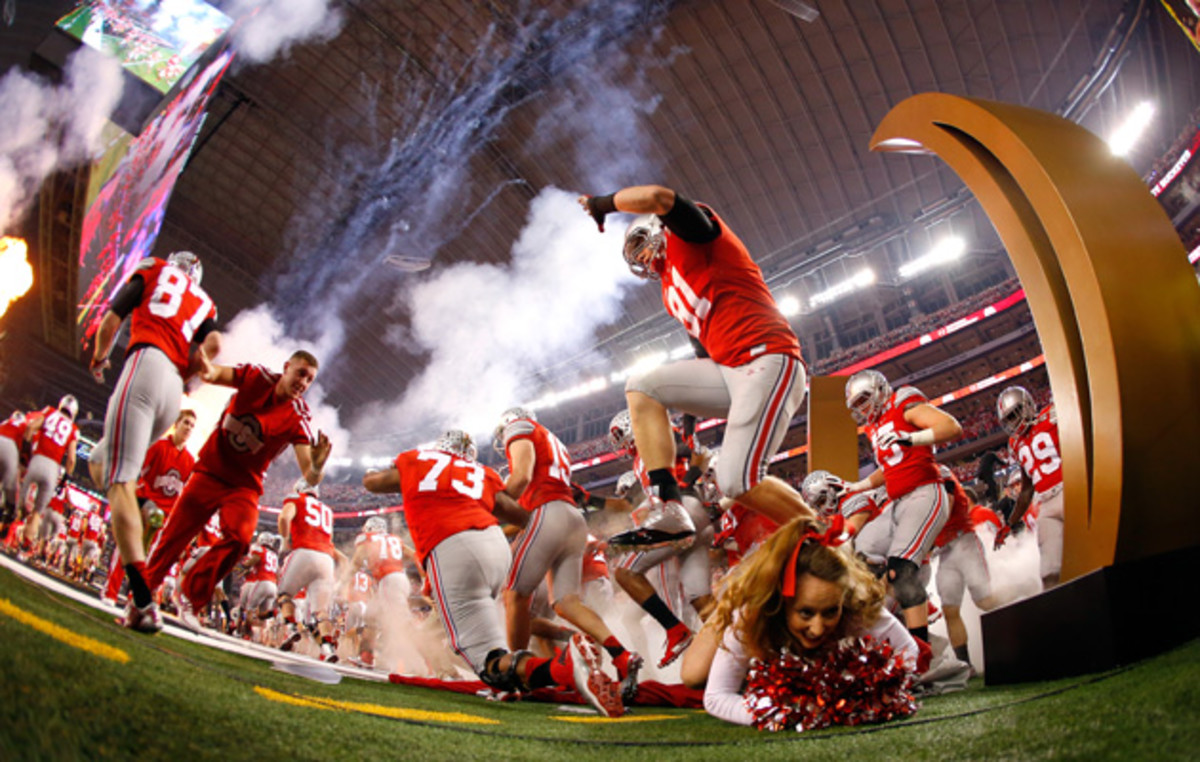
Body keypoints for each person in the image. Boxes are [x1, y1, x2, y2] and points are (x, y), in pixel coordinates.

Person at [579, 185, 812, 546]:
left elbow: (660, 196)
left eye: (641, 240)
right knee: (642, 384)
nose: (641, 254)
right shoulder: (670, 286)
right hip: (729, 369)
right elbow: (702, 351)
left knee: (737, 481)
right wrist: (689, 424)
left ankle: (824, 534)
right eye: (634, 251)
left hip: (766, 357)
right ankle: (669, 506)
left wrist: (601, 205)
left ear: (660, 228)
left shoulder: (695, 235)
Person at [362, 429, 624, 717]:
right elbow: (518, 515)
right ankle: (542, 675)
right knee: (496, 652)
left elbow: (373, 483)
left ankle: (568, 665)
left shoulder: (417, 459)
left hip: (452, 547)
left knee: (488, 664)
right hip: (496, 549)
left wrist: (373, 471)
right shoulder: (482, 472)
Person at [143, 350, 331, 633]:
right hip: (210, 469)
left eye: (310, 380)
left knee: (241, 538)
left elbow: (309, 473)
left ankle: (190, 595)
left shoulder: (298, 416)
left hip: (244, 484)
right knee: (173, 536)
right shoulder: (256, 377)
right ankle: (142, 595)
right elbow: (216, 374)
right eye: (301, 373)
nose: (304, 382)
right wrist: (203, 365)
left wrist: (317, 467)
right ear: (286, 368)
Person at [88, 251, 220, 632]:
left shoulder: (153, 268)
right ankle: (139, 588)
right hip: (172, 390)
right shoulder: (204, 301)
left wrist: (99, 358)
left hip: (145, 364)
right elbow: (212, 345)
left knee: (119, 482)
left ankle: (143, 601)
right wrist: (196, 371)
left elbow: (112, 319)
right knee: (103, 461)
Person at [702, 516, 918, 726]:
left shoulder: (855, 604)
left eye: (830, 612)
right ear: (782, 602)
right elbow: (716, 697)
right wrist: (780, 714)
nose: (817, 628)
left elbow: (908, 650)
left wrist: (878, 696)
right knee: (695, 675)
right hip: (738, 614)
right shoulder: (754, 613)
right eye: (806, 613)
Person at [492, 406, 642, 697]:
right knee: (565, 602)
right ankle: (622, 657)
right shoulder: (553, 448)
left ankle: (517, 676)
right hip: (573, 518)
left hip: (548, 512)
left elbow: (521, 478)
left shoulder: (520, 428)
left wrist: (489, 507)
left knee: (514, 595)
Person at [834, 369, 963, 645]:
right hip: (900, 501)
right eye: (855, 405)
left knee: (900, 570)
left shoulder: (902, 402)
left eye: (864, 399)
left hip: (925, 492)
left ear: (880, 390)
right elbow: (889, 467)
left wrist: (912, 438)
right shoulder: (875, 426)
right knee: (875, 565)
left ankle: (922, 655)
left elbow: (951, 427)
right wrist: (856, 487)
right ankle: (913, 643)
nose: (861, 408)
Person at [606, 408, 714, 669]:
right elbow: (627, 502)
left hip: (680, 512)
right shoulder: (644, 455)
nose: (624, 446)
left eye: (623, 438)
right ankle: (742, 657)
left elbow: (699, 452)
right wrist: (587, 501)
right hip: (696, 517)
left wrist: (685, 485)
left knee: (626, 572)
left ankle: (676, 632)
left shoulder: (654, 435)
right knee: (701, 599)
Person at [103, 409, 197, 604]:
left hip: (165, 516)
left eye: (192, 425)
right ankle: (110, 592)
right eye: (186, 422)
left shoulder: (190, 461)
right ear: (176, 424)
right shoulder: (159, 446)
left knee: (153, 561)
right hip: (147, 505)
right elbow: (138, 473)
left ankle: (136, 600)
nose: (189, 428)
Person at [996, 385, 1064, 588]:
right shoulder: (1015, 443)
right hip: (1046, 503)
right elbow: (1026, 491)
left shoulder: (1051, 416)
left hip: (1070, 488)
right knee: (1049, 573)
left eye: (1015, 414)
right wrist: (1009, 524)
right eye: (1008, 418)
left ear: (1027, 406)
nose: (1013, 422)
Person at [276, 479, 344, 661]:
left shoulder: (296, 499)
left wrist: (284, 540)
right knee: (321, 612)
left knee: (284, 594)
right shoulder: (327, 510)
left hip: (305, 552)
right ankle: (328, 649)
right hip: (327, 559)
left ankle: (290, 629)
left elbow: (284, 517)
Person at [18, 396, 79, 554]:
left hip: (37, 460)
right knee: (37, 512)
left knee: (20, 502)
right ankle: (25, 546)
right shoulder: (73, 429)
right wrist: (64, 479)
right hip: (53, 469)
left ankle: (11, 522)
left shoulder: (49, 412)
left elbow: (31, 427)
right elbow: (71, 460)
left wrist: (25, 452)